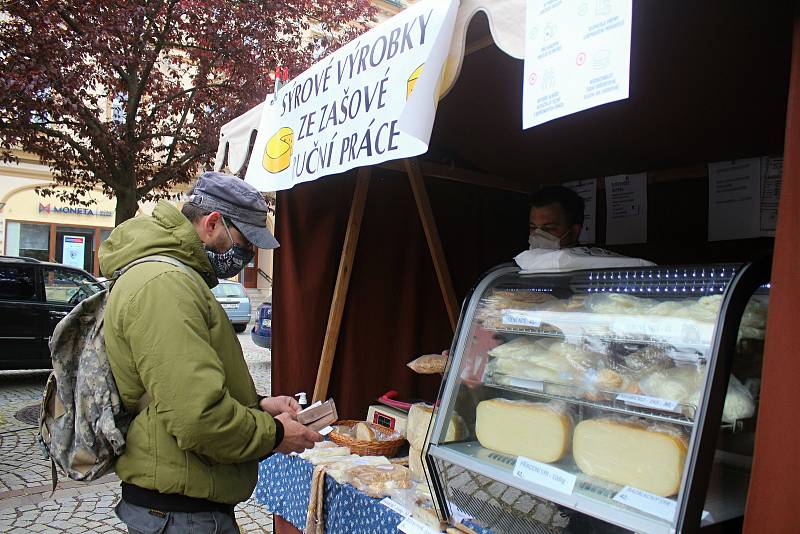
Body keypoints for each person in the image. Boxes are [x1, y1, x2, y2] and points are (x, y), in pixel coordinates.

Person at [99, 171, 322, 534]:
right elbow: (197, 418)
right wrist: (275, 434)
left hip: (182, 503)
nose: (247, 257)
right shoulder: (165, 285)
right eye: (245, 243)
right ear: (213, 222)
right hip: (180, 513)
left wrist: (259, 404)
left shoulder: (176, 277)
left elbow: (182, 388)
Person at [528, 185, 584, 249]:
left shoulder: (590, 259)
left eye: (548, 228)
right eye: (533, 227)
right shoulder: (526, 258)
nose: (537, 236)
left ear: (574, 231)